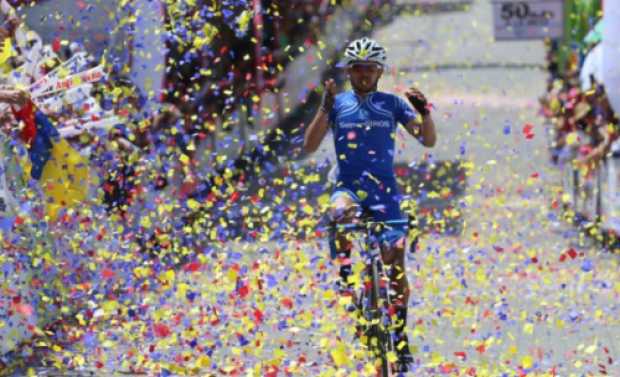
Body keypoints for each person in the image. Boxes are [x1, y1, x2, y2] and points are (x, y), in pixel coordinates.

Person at [303, 37, 436, 371]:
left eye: (370, 68)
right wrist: (324, 107)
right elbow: (309, 146)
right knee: (338, 213)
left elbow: (428, 139)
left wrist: (424, 112)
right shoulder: (338, 103)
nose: (363, 74)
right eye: (358, 68)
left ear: (379, 71)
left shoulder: (392, 104)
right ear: (349, 71)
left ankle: (401, 337)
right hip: (348, 188)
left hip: (385, 193)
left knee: (396, 262)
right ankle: (347, 277)